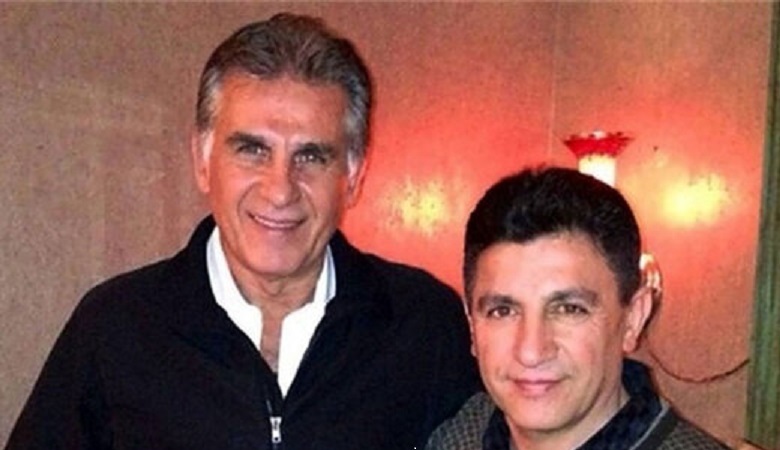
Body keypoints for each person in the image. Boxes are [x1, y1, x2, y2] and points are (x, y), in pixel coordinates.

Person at [6, 13, 479, 450]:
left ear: (353, 175)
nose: (280, 190)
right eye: (252, 150)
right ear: (202, 160)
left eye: (311, 156)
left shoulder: (424, 326)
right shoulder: (114, 330)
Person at [426, 166, 728, 450]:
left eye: (569, 309)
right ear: (472, 326)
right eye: (503, 311)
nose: (531, 352)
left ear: (634, 318)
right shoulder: (456, 435)